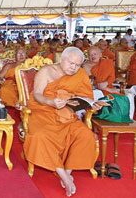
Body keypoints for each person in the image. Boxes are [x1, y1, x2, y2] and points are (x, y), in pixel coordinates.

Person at [23, 47, 107, 197]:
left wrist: (91, 103)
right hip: (43, 111)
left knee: (85, 136)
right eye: (71, 63)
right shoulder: (46, 71)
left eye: (77, 65)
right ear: (62, 58)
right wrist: (51, 102)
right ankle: (64, 177)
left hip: (66, 113)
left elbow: (84, 95)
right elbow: (37, 95)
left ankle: (67, 171)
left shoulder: (80, 74)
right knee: (40, 136)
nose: (73, 68)